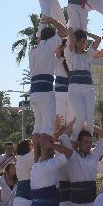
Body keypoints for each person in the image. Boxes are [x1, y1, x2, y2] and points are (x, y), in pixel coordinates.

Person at [29, 16, 68, 152]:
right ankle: (45, 155)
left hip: (34, 91)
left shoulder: (32, 50)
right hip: (45, 90)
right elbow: (64, 31)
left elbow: (54, 59)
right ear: (52, 38)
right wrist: (53, 21)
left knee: (38, 124)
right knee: (47, 124)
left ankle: (36, 156)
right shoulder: (48, 45)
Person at [60, 126, 103, 206]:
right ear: (79, 143)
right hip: (75, 205)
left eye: (90, 142)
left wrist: (91, 125)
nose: (89, 145)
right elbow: (64, 137)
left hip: (91, 203)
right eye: (86, 142)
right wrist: (75, 125)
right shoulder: (72, 155)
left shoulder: (94, 154)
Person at [65, 27, 101, 140]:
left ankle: (87, 143)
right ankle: (74, 141)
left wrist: (86, 33)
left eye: (84, 41)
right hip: (75, 90)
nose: (83, 43)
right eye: (80, 41)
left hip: (88, 90)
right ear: (75, 41)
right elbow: (70, 35)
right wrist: (71, 31)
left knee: (90, 120)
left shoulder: (88, 54)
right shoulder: (70, 54)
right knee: (80, 117)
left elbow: (98, 39)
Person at [31, 139, 73, 206]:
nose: (54, 152)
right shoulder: (49, 165)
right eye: (52, 150)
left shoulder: (35, 166)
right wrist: (51, 145)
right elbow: (69, 152)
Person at [13, 139, 34, 206]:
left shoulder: (21, 158)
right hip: (25, 197)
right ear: (26, 147)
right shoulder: (25, 158)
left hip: (22, 195)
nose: (33, 146)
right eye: (31, 144)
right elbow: (39, 149)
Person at [55, 38, 73, 125]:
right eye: (65, 46)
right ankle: (57, 138)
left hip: (71, 94)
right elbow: (57, 48)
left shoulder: (72, 60)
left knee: (71, 122)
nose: (68, 48)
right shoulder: (58, 60)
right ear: (61, 48)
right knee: (60, 122)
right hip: (59, 95)